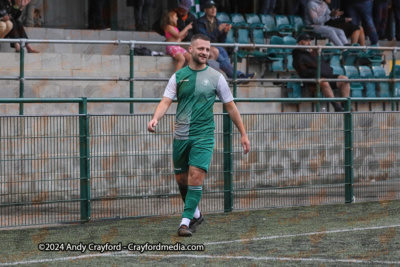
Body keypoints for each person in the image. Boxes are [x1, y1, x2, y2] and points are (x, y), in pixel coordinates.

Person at [147, 33, 250, 237]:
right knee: (181, 179)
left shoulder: (216, 77)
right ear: (191, 49)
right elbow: (166, 101)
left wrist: (243, 134)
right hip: (181, 135)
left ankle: (184, 223)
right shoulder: (178, 76)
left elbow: (230, 106)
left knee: (195, 176)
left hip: (204, 136)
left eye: (207, 49)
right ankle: (196, 214)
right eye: (200, 48)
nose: (204, 52)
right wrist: (155, 118)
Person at [197, 0, 256, 82]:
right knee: (222, 59)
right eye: (210, 8)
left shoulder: (218, 22)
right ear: (205, 10)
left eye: (214, 7)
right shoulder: (200, 22)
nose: (213, 9)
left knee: (224, 58)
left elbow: (222, 41)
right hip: (205, 47)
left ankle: (237, 76)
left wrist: (224, 33)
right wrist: (218, 30)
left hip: (217, 47)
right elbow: (204, 39)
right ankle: (239, 76)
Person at [292, 33, 350, 112]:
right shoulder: (297, 57)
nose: (309, 43)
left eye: (310, 41)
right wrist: (317, 73)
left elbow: (324, 66)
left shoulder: (314, 53)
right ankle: (337, 106)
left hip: (326, 76)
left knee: (344, 79)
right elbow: (303, 73)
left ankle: (346, 104)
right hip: (313, 80)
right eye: (306, 41)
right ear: (300, 43)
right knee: (324, 82)